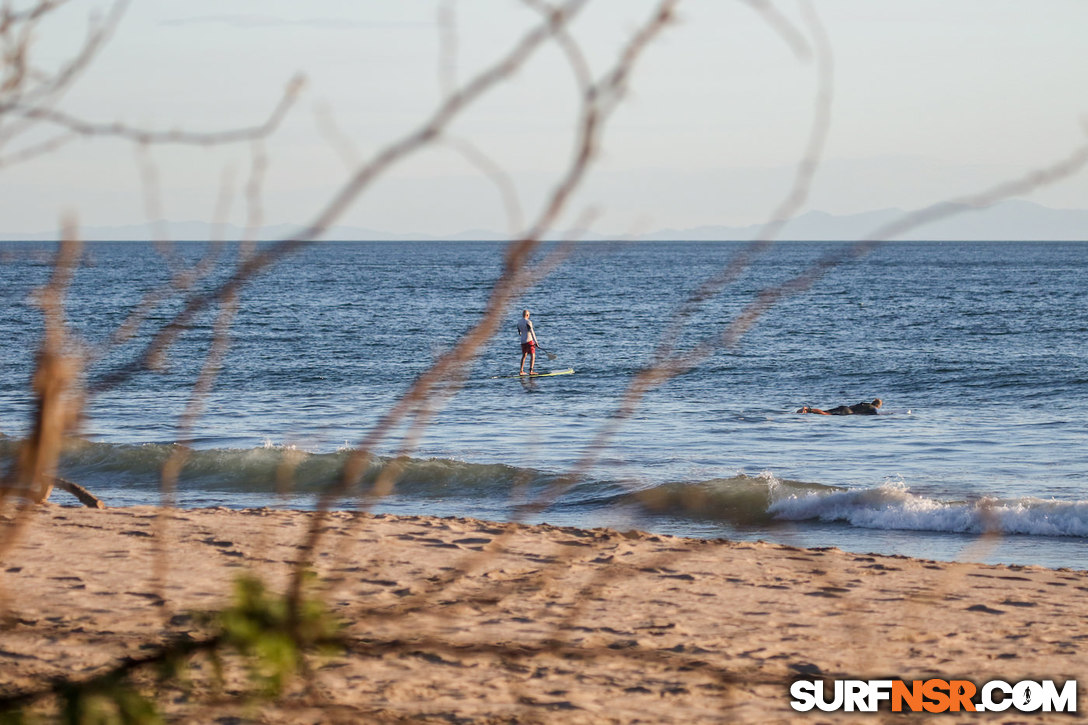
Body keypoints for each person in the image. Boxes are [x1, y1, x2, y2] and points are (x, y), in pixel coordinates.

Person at [797, 398, 883, 415]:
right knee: (826, 414)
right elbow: (876, 414)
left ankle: (808, 410)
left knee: (826, 412)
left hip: (846, 408)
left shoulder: (864, 404)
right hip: (847, 412)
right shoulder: (873, 408)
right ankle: (807, 410)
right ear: (878, 405)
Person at [516, 309, 538, 375]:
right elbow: (532, 332)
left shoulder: (519, 322)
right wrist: (536, 342)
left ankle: (521, 371)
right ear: (527, 315)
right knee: (532, 355)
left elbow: (519, 332)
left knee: (524, 355)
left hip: (522, 341)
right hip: (529, 340)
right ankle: (531, 371)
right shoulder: (528, 322)